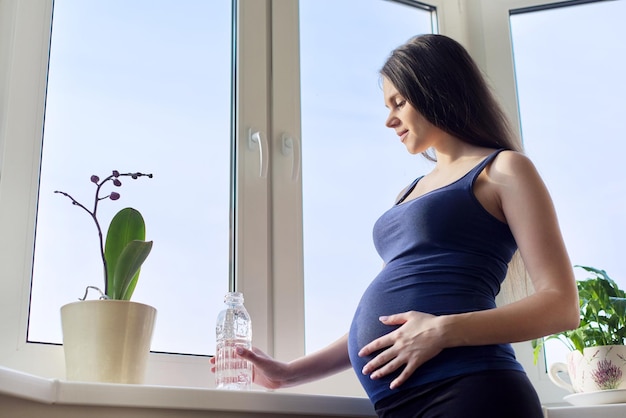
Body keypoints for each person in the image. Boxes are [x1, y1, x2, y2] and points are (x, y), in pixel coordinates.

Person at [211, 34, 580, 417]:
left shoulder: (503, 169)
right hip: (402, 405)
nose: (389, 120)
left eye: (399, 103)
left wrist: (442, 331)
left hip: (472, 390)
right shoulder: (411, 191)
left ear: (439, 89)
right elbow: (389, 322)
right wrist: (287, 374)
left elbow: (562, 306)